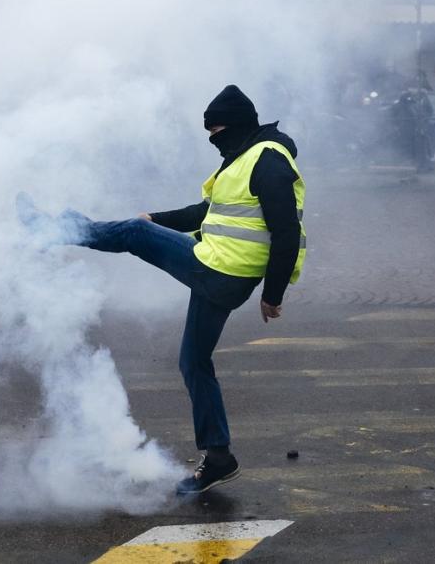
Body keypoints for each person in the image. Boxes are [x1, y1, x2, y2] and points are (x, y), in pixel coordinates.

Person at [15, 85, 306, 495]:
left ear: (237, 124)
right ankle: (219, 456)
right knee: (193, 362)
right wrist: (157, 218)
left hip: (222, 271)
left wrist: (273, 294)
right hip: (219, 268)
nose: (211, 138)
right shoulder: (244, 159)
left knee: (134, 234)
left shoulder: (268, 160)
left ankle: (56, 229)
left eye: (216, 129)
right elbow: (209, 212)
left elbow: (287, 231)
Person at [394, 79, 434, 172]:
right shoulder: (404, 98)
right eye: (412, 87)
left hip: (421, 124)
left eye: (415, 87)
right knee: (412, 145)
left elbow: (429, 110)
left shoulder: (423, 97)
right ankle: (417, 162)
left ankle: (424, 164)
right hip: (409, 125)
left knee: (423, 146)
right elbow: (401, 111)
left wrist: (425, 119)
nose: (414, 90)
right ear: (408, 89)